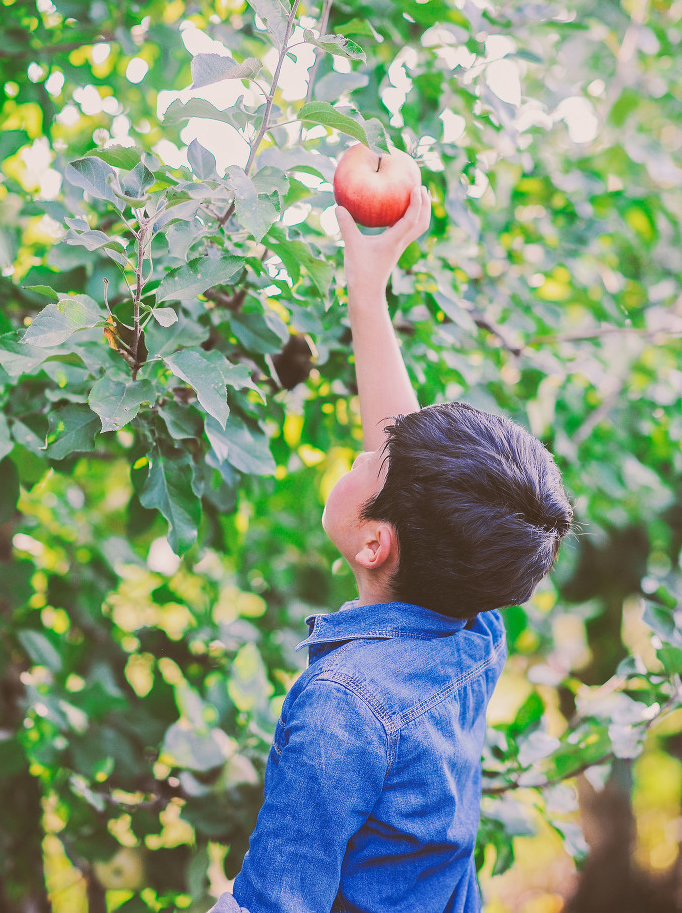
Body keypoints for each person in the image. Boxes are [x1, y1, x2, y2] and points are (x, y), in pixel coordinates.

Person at [217, 186, 573, 913]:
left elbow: (276, 902)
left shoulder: (341, 706)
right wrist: (367, 282)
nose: (368, 445)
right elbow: (401, 440)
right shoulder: (475, 625)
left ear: (376, 543)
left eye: (371, 460)